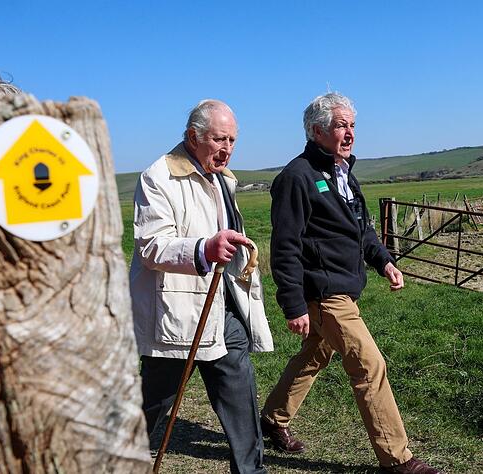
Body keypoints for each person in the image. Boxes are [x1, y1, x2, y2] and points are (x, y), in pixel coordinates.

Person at [260, 93, 440, 474]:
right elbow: (285, 245)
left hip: (345, 285)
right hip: (324, 291)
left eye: (352, 125)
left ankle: (273, 418)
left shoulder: (342, 172)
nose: (349, 133)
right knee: (369, 364)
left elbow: (362, 229)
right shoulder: (297, 177)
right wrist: (293, 304)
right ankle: (397, 459)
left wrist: (385, 261)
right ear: (316, 130)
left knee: (316, 353)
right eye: (341, 125)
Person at [130, 99, 273, 474]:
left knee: (240, 396)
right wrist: (203, 248)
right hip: (175, 315)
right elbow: (151, 245)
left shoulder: (224, 179)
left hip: (222, 308)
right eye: (219, 139)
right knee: (155, 400)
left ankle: (250, 471)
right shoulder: (159, 176)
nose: (227, 149)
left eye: (232, 140)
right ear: (193, 137)